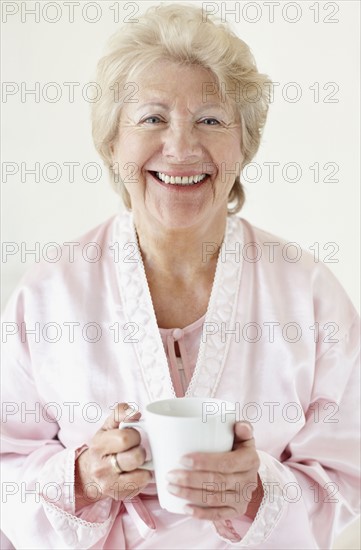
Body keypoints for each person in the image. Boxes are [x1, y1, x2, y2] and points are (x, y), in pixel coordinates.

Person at [1, 3, 360, 549]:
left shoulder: (307, 293)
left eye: (211, 120)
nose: (182, 147)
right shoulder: (49, 293)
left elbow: (348, 473)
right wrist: (81, 479)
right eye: (152, 118)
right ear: (112, 143)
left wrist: (257, 493)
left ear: (244, 145)